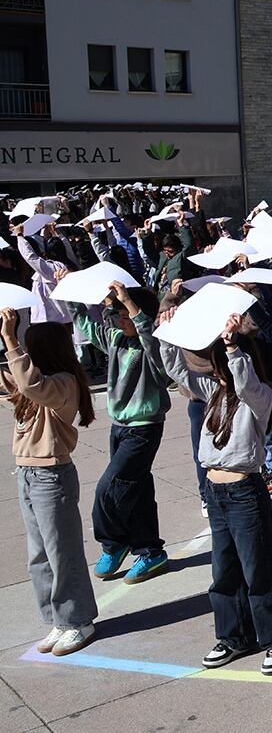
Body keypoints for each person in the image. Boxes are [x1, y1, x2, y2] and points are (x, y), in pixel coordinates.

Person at [159, 313, 272, 676]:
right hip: (216, 491)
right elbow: (178, 371)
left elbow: (247, 384)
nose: (215, 373)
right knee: (224, 571)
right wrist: (165, 332)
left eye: (222, 365)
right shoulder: (213, 392)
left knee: (259, 570)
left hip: (243, 492)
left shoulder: (260, 397)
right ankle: (234, 637)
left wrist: (233, 347)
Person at [2, 308, 99, 657]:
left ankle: (80, 621)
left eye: (29, 347)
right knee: (38, 556)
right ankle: (59, 619)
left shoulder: (62, 384)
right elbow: (15, 381)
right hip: (26, 474)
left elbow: (29, 383)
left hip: (50, 477)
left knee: (62, 553)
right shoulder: (35, 381)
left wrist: (12, 338)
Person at [72, 281, 172, 584]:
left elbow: (146, 332)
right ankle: (150, 551)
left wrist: (129, 300)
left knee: (109, 488)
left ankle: (114, 542)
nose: (119, 321)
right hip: (119, 428)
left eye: (124, 315)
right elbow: (86, 325)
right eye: (118, 316)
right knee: (137, 489)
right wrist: (73, 295)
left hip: (144, 429)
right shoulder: (116, 340)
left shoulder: (153, 344)